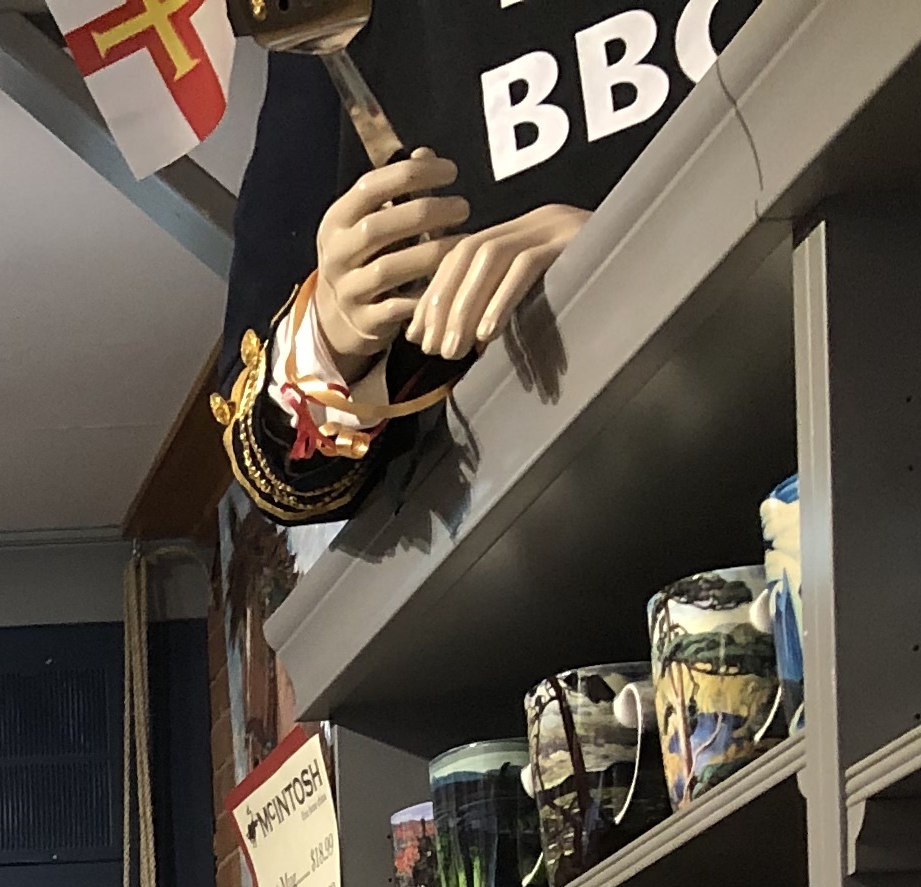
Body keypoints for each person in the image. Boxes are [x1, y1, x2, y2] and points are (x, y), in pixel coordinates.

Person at [211, 1, 763, 524]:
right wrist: (334, 336)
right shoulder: (324, 32)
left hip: (788, 359)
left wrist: (633, 243)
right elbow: (276, 460)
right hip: (555, 517)